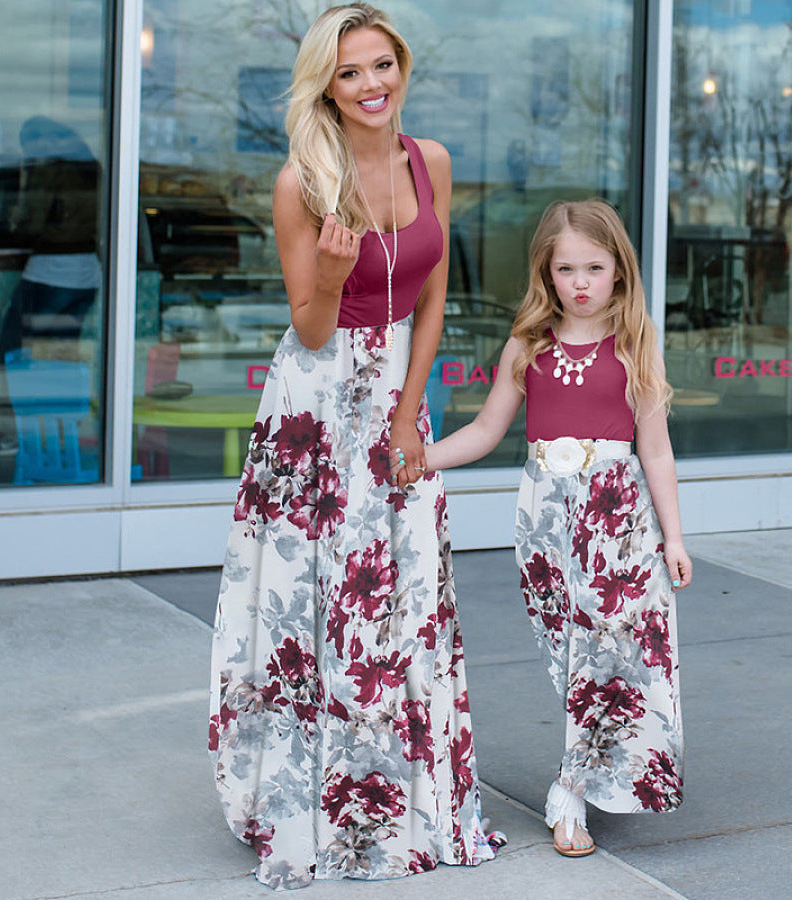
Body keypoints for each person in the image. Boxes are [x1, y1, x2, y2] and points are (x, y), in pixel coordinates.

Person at [208, 4, 499, 889]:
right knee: (316, 598)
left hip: (398, 394)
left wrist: (412, 415)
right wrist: (332, 274)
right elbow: (309, 324)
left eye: (383, 66)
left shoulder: (430, 161)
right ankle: (314, 802)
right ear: (324, 86)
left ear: (401, 69)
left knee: (402, 589)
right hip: (316, 403)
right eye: (350, 72)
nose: (372, 85)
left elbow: (435, 297)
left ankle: (402, 795)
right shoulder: (301, 181)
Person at [425, 199, 690, 858]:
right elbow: (487, 431)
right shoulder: (528, 342)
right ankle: (586, 777)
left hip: (618, 521)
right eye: (566, 267)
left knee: (611, 655)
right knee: (570, 659)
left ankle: (570, 791)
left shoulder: (635, 341)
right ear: (546, 272)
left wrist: (674, 537)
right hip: (545, 520)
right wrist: (418, 459)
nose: (580, 282)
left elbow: (654, 448)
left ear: (619, 272)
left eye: (594, 268)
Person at [0, 115, 101, 458]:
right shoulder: (94, 168)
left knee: (13, 352)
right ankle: (60, 435)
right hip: (87, 274)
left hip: (50, 273)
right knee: (60, 358)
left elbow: (32, 221)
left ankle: (13, 435)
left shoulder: (48, 169)